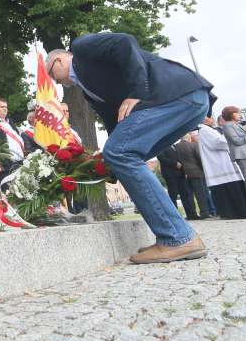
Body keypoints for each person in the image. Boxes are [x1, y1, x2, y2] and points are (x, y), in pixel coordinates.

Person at [45, 32, 214, 264]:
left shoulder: (81, 48)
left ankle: (178, 238)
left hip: (174, 95)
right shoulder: (88, 91)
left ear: (59, 60)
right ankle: (170, 235)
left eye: (51, 74)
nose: (54, 82)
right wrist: (107, 160)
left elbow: (124, 43)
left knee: (120, 153)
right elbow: (116, 121)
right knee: (120, 155)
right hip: (184, 101)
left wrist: (137, 92)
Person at [198, 117, 246, 219]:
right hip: (219, 166)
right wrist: (230, 135)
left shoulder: (209, 129)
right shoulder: (204, 130)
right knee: (229, 189)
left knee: (234, 187)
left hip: (224, 162)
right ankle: (233, 213)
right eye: (210, 117)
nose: (212, 119)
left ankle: (242, 212)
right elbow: (217, 143)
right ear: (205, 119)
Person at [157, 145, 198, 219]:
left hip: (181, 174)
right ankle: (175, 216)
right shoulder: (161, 146)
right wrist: (175, 163)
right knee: (173, 195)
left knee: (185, 194)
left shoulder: (175, 146)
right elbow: (161, 158)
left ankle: (191, 215)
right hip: (170, 175)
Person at [175, 133, 210, 218]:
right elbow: (199, 158)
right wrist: (203, 169)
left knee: (189, 195)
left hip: (184, 173)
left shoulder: (176, 147)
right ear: (188, 137)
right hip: (196, 172)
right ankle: (204, 213)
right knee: (200, 194)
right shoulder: (193, 145)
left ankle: (192, 214)